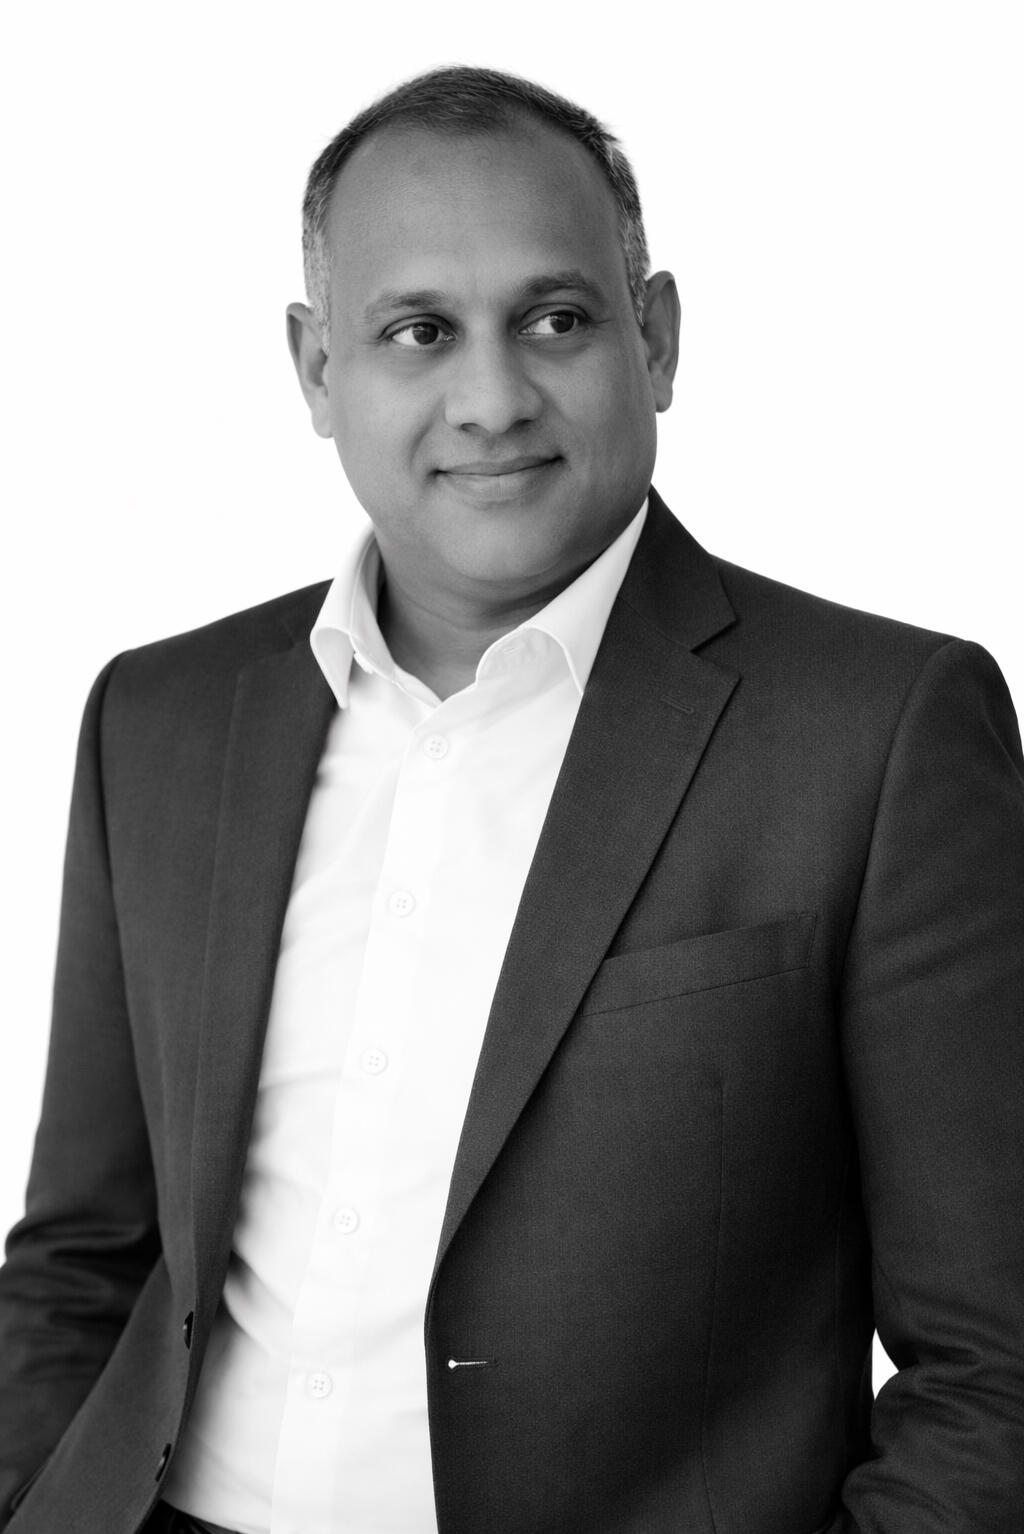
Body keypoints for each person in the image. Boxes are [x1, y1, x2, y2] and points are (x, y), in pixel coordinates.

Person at [0, 62, 1022, 1534]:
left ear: (655, 338)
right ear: (317, 370)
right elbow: (80, 1261)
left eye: (555, 319)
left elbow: (994, 1365)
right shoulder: (159, 720)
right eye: (418, 331)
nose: (490, 399)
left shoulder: (881, 732)